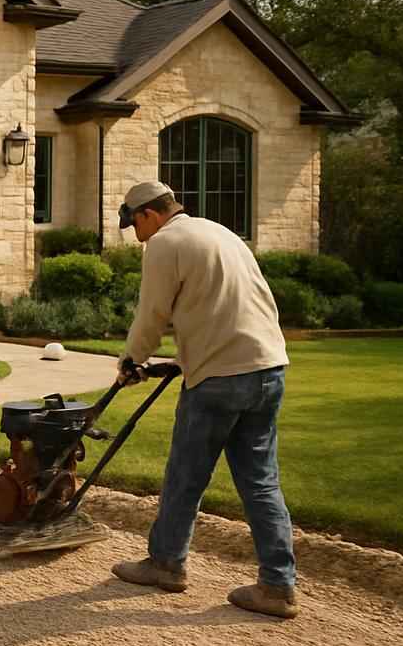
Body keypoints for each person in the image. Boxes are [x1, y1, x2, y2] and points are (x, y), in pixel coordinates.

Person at [110, 180, 299, 618]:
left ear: (149, 215)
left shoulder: (164, 243)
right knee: (261, 481)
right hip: (268, 367)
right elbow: (233, 302)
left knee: (186, 475)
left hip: (220, 378)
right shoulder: (221, 233)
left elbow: (153, 312)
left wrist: (131, 360)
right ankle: (277, 586)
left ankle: (166, 563)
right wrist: (185, 357)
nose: (135, 234)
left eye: (133, 224)